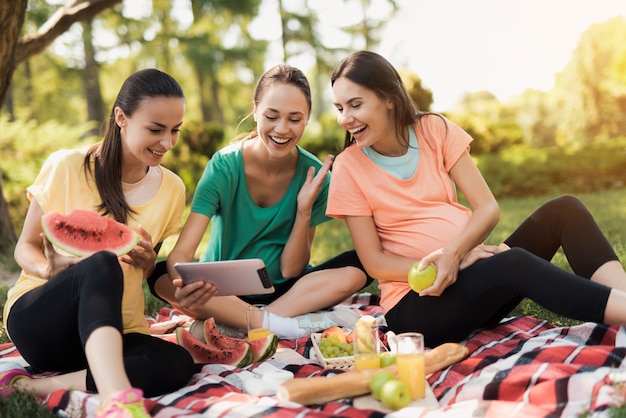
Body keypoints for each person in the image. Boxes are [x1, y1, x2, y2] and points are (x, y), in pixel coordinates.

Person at [326, 50, 626, 348]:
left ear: (388, 98)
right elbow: (375, 263)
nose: (345, 119)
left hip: (472, 281)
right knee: (514, 262)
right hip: (419, 305)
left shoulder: (434, 129)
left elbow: (487, 208)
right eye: (340, 108)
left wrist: (457, 253)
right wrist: (447, 264)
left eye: (356, 104)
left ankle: (623, 307)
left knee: (564, 210)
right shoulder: (348, 167)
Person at [0, 69, 195, 417]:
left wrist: (148, 261)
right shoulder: (67, 166)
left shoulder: (173, 189)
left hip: (118, 328)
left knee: (177, 362)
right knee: (102, 261)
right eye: (155, 129)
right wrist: (50, 268)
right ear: (121, 117)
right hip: (44, 323)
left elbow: (146, 271)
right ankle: (118, 401)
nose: (167, 143)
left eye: (175, 130)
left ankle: (36, 387)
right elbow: (24, 247)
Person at [149, 64, 372, 339]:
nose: (282, 129)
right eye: (271, 116)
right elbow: (181, 253)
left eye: (294, 119)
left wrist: (303, 211)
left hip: (287, 292)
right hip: (221, 294)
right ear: (255, 110)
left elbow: (292, 269)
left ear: (307, 118)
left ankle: (248, 324)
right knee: (160, 276)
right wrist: (186, 286)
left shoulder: (314, 175)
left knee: (357, 266)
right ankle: (273, 324)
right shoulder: (224, 167)